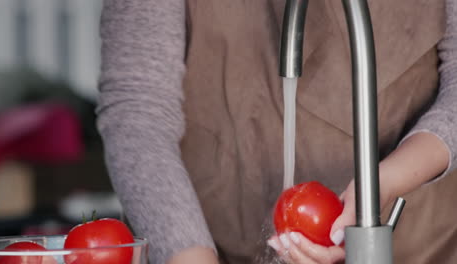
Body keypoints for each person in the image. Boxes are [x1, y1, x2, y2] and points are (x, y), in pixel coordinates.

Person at [96, 0, 457, 263]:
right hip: (218, 248)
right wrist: (189, 254)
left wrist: (386, 181)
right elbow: (139, 108)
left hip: (422, 248)